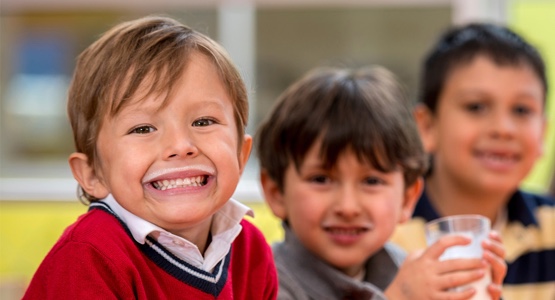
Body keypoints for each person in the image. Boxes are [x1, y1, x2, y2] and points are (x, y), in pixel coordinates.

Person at [23, 16, 277, 299]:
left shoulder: (250, 249)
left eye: (203, 121)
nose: (181, 145)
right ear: (93, 174)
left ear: (241, 155)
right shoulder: (88, 257)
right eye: (143, 128)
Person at [256, 66, 506, 300]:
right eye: (321, 179)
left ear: (407, 199)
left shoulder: (403, 270)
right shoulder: (260, 283)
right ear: (277, 193)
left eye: (372, 181)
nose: (348, 207)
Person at [390, 23, 555, 299]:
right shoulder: (382, 231)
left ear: (542, 134)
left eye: (522, 110)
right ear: (428, 126)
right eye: (476, 107)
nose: (503, 128)